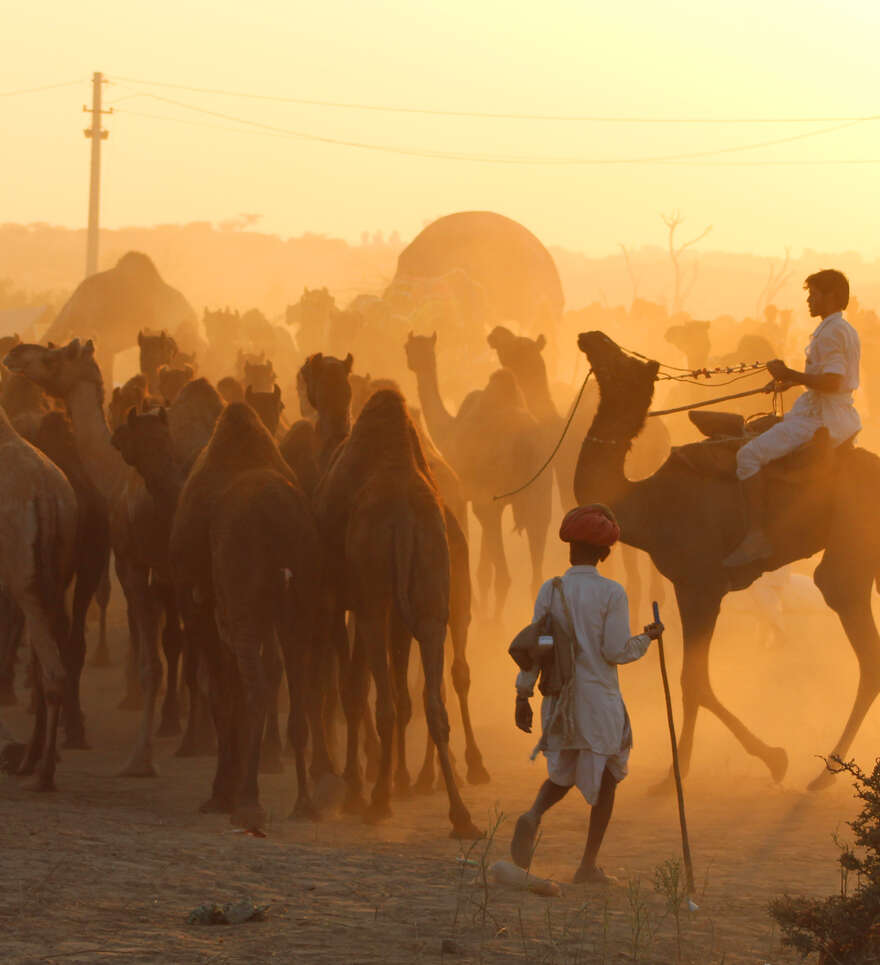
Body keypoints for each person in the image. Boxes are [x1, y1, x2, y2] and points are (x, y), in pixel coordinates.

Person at [510, 504, 663, 884]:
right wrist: (647, 638)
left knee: (561, 774)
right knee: (609, 775)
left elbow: (539, 646)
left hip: (558, 700)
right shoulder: (612, 593)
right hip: (598, 702)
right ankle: (587, 865)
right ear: (605, 553)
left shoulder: (551, 589)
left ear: (570, 548)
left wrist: (522, 695)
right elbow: (614, 651)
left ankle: (532, 815)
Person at [724, 269, 861, 567]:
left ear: (833, 296)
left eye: (814, 294)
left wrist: (788, 373)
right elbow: (826, 378)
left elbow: (834, 381)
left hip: (820, 419)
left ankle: (757, 535)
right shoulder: (839, 328)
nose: (809, 300)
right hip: (832, 414)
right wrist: (791, 381)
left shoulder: (833, 331)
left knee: (747, 456)